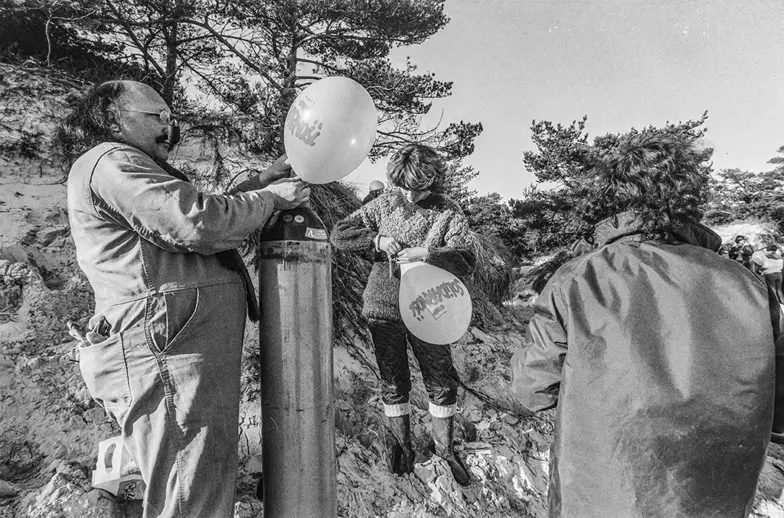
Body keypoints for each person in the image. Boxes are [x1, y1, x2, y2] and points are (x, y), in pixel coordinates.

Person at [65, 80, 310, 518]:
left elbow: (192, 211)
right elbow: (193, 222)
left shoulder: (128, 166)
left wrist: (260, 183)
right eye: (156, 116)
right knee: (189, 491)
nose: (168, 126)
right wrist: (269, 199)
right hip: (166, 348)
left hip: (177, 347)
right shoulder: (111, 160)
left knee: (197, 481)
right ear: (113, 118)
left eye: (170, 117)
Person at [510, 132, 784, 517]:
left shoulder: (577, 279)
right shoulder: (749, 286)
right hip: (714, 499)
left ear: (613, 200)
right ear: (689, 198)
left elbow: (532, 389)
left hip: (601, 494)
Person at [330, 144, 475, 486]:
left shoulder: (448, 211)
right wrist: (377, 241)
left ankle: (446, 451)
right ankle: (402, 451)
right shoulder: (385, 203)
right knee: (393, 382)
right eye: (405, 184)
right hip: (383, 308)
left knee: (441, 381)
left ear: (433, 178)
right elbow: (340, 234)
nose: (411, 193)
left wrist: (429, 253)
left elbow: (466, 258)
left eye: (418, 185)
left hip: (431, 308)